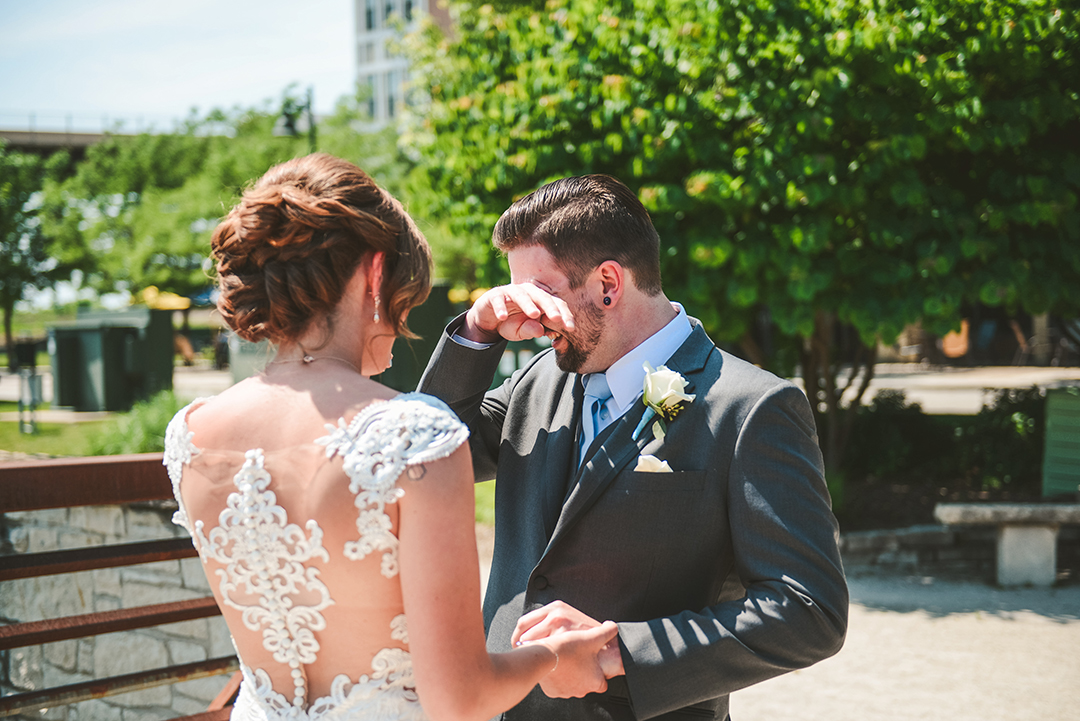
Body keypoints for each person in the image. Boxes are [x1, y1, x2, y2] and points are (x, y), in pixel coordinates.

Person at [163, 154, 618, 721]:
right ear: (375, 275)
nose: (403, 321)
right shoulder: (412, 436)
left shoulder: (190, 432)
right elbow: (461, 700)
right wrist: (553, 654)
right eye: (407, 295)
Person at [418, 174, 849, 721]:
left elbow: (807, 611)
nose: (527, 314)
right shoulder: (537, 381)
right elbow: (426, 452)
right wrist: (477, 331)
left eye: (541, 293)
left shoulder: (753, 409)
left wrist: (616, 650)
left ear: (608, 284)